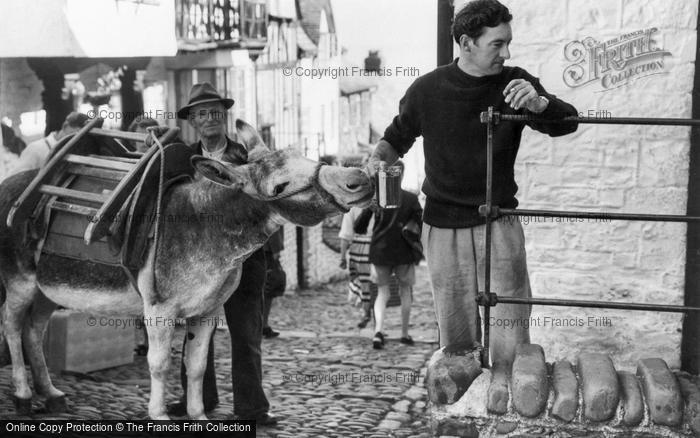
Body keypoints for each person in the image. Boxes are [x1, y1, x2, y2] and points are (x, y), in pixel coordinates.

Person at [367, 0, 578, 365]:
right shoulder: (427, 89)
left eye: (508, 42)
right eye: (497, 43)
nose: (506, 52)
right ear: (466, 43)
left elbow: (567, 122)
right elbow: (394, 140)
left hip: (500, 223)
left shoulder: (517, 83)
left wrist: (540, 104)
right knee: (456, 333)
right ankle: (462, 409)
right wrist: (374, 163)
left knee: (510, 325)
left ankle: (507, 405)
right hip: (443, 227)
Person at [167, 82, 277, 425]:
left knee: (246, 335)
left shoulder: (246, 156)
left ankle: (252, 409)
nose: (210, 118)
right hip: (198, 266)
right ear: (193, 121)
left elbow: (269, 201)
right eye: (203, 113)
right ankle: (197, 398)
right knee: (195, 333)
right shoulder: (182, 159)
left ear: (224, 116)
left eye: (216, 112)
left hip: (244, 260)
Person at [362, 161, 422, 349]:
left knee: (382, 292)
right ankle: (404, 334)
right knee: (405, 292)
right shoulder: (411, 199)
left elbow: (360, 225)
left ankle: (378, 332)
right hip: (404, 251)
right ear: (401, 175)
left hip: (381, 250)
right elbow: (420, 223)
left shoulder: (378, 198)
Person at [11, 112, 89, 174]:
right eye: (73, 133)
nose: (75, 140)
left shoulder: (75, 153)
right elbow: (16, 179)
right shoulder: (36, 149)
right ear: (65, 126)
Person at [339, 205, 375, 328]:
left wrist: (343, 257)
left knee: (363, 284)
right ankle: (375, 319)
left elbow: (346, 234)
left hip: (358, 251)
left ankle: (366, 312)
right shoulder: (383, 203)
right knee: (374, 285)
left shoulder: (353, 207)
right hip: (377, 247)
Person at [262, 228, 286, 339]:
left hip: (260, 246)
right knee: (268, 287)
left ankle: (262, 324)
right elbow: (273, 222)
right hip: (266, 249)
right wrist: (276, 249)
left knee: (266, 287)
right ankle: (262, 324)